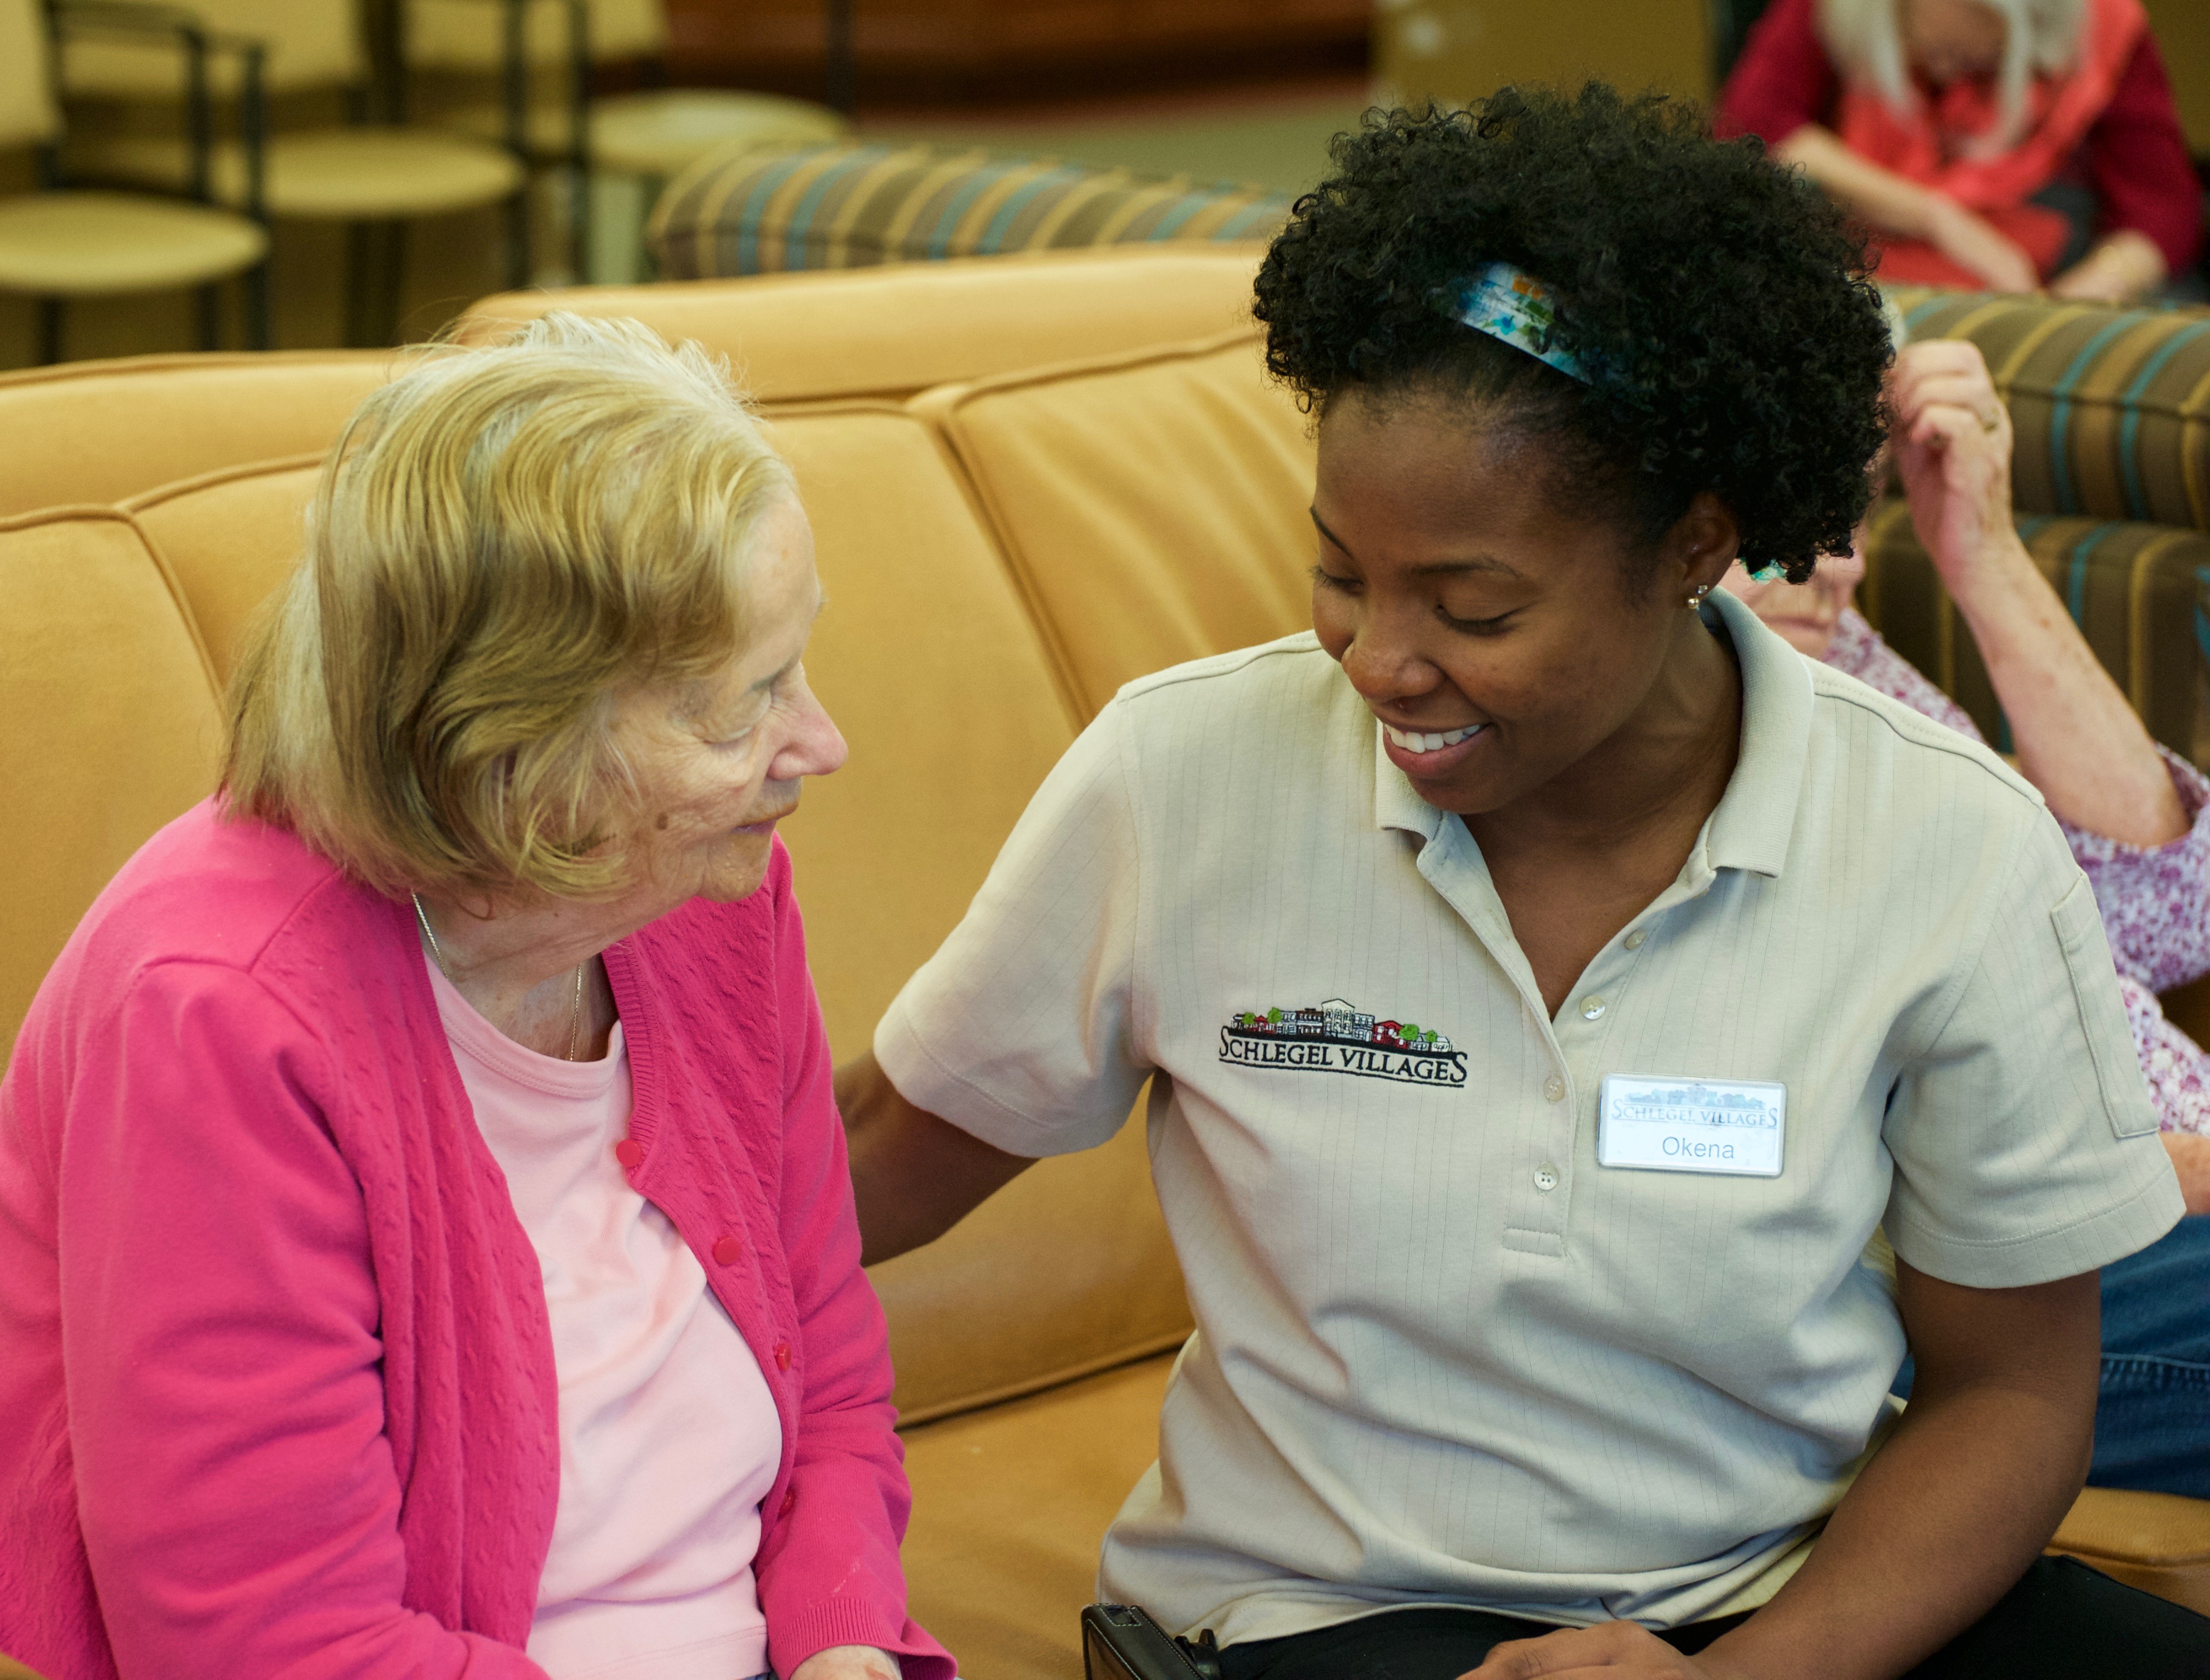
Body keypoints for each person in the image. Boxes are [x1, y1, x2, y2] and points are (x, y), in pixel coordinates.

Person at [839, 84, 2210, 1679]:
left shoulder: (1941, 841)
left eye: (1473, 609)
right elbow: (860, 1161)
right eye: (1341, 576)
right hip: (1332, 1614)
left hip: (1792, 1595)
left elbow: (2013, 1392)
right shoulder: (1186, 777)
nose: (1380, 661)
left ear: (1698, 544)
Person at [0, 314, 949, 1680]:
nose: (821, 744)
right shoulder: (219, 1013)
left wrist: (844, 1646)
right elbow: (272, 1646)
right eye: (740, 708)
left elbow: (837, 1386)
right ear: (514, 761)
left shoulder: (712, 903)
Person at [1718, 333, 2210, 1499]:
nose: (1838, 566)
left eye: (1849, 510)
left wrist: (1977, 546)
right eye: (1781, 513)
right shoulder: (1690, 723)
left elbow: (2163, 914)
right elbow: (1877, 1158)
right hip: (2010, 1267)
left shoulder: (1837, 654)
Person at [1717, 0, 2201, 302]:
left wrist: (2073, 303)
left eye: (1976, 62)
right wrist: (1939, 219)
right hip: (1865, 275)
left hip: (2042, 283)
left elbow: (2162, 213)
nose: (1947, 76)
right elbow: (1753, 126)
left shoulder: (2102, 21)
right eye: (1929, 53)